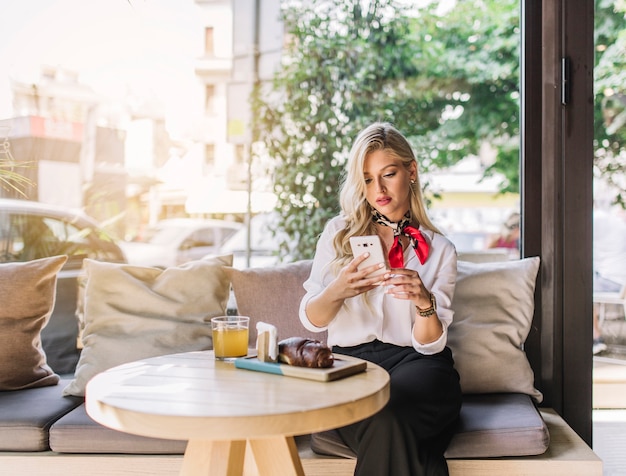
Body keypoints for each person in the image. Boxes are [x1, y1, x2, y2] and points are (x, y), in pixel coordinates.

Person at [298, 122, 462, 476]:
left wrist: (424, 301)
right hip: (350, 367)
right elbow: (312, 319)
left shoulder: (440, 249)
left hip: (418, 367)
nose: (379, 189)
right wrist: (339, 289)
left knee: (390, 415)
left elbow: (431, 345)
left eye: (388, 174)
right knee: (399, 434)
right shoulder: (338, 234)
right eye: (368, 179)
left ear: (411, 171)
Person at [592, 206, 626, 355]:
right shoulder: (615, 221)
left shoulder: (594, 220)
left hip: (611, 281)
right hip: (621, 281)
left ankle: (595, 338)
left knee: (579, 287)